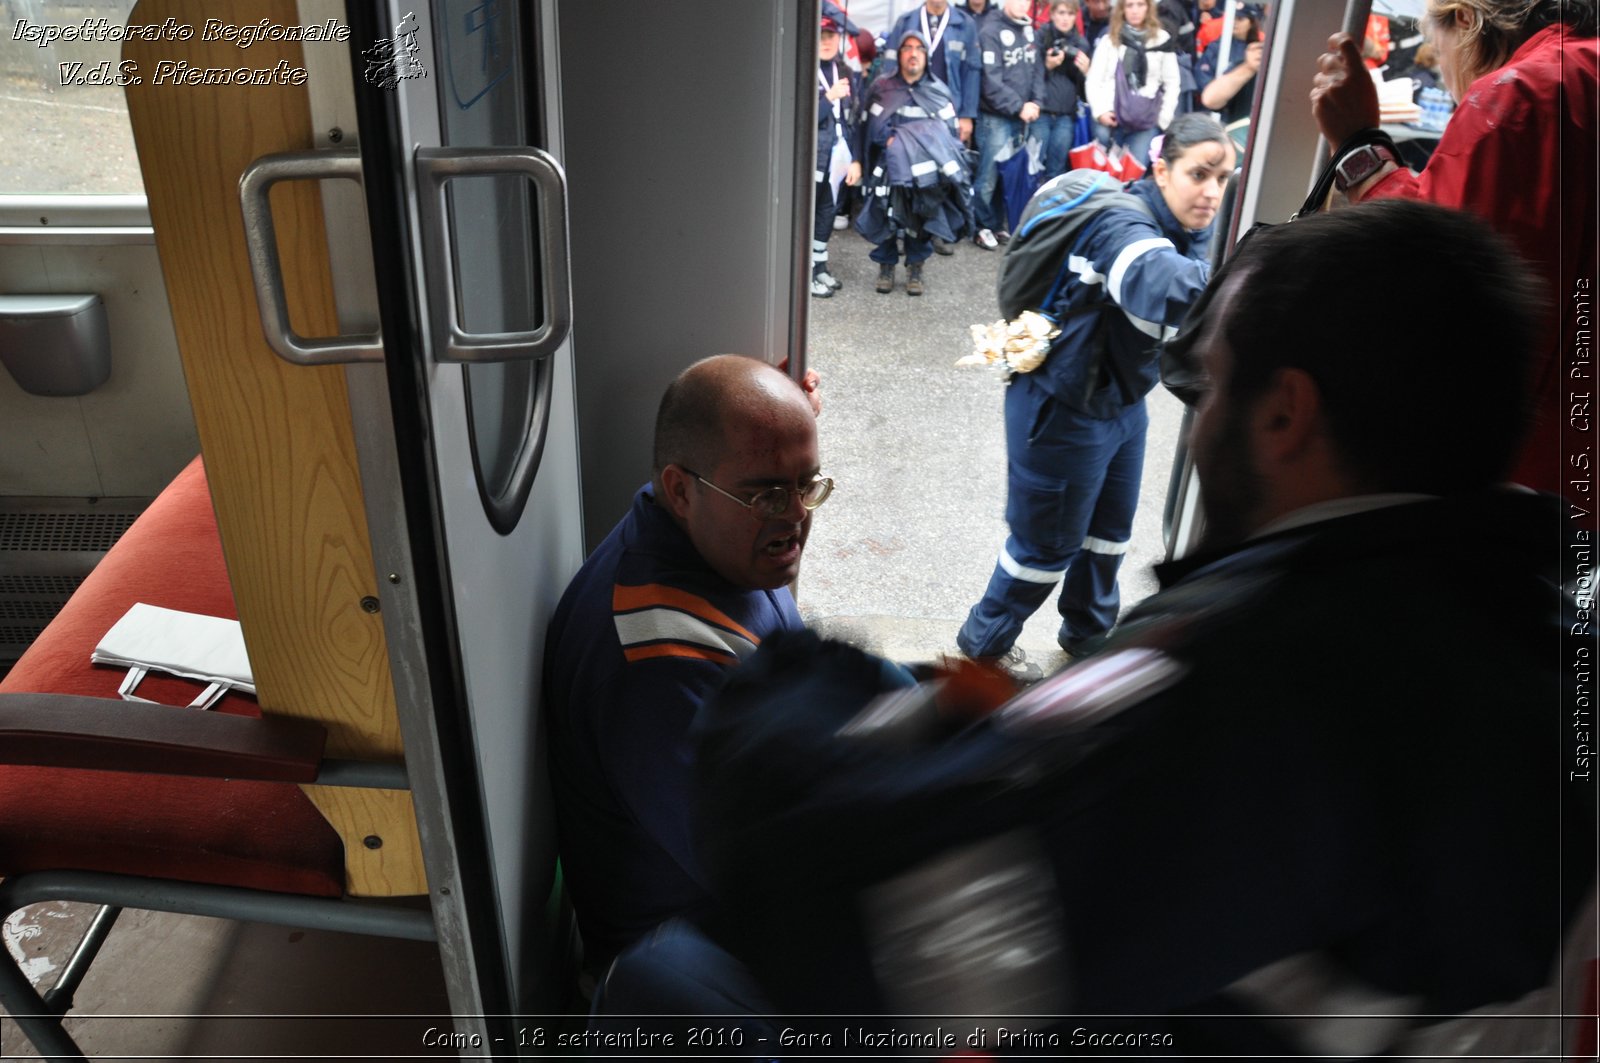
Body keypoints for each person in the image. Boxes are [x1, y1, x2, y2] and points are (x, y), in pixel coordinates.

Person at [696, 202, 1592, 1050]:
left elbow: (843, 908)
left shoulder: (1277, 689)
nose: (1197, 426)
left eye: (1210, 391)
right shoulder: (1549, 608)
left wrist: (802, 694)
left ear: (1285, 414)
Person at [543, 354, 830, 970]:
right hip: (693, 969)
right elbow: (780, 883)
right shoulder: (659, 661)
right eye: (767, 494)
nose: (796, 516)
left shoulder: (708, 532)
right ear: (681, 489)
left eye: (807, 485)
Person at [957, 113, 1233, 679]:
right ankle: (980, 647)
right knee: (1045, 547)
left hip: (1120, 405)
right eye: (1199, 174)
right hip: (1061, 408)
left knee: (1108, 536)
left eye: (1223, 178)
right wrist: (1261, 281)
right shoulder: (1122, 229)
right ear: (1161, 168)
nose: (1211, 192)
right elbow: (1157, 281)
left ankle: (1087, 636)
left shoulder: (1179, 226)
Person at [1310, 0, 1598, 498]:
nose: (1445, 75)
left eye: (1438, 50)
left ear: (1465, 22)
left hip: (1526, 478)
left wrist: (1359, 146)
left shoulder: (1521, 97)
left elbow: (1431, 270)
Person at [856, 28, 973, 295]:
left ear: (926, 56)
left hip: (924, 172)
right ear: (899, 55)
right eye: (907, 48)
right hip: (888, 168)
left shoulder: (937, 90)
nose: (913, 54)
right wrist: (888, 139)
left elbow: (948, 135)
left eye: (919, 49)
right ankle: (886, 266)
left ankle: (916, 267)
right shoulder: (882, 88)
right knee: (886, 214)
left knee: (921, 218)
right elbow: (869, 126)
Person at [880, 0, 985, 254]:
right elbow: (888, 67)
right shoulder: (906, 22)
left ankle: (937, 231)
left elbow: (972, 71)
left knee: (940, 174)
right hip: (907, 108)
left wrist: (967, 116)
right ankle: (903, 231)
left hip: (944, 110)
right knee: (907, 173)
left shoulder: (965, 23)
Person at [972, 0, 1046, 248]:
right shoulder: (990, 30)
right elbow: (990, 82)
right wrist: (1018, 105)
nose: (1021, 4)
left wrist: (1036, 101)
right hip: (996, 117)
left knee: (1008, 176)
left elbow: (1037, 70)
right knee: (988, 177)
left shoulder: (1028, 30)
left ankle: (996, 225)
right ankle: (980, 226)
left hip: (1022, 117)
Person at [1085, 0, 1182, 167]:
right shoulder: (1109, 40)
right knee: (1105, 177)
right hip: (1111, 119)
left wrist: (1162, 119)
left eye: (1140, 5)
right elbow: (1094, 79)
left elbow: (1172, 83)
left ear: (1148, 8)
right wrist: (1100, 111)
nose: (1135, 10)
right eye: (1130, 5)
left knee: (1132, 176)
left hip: (1146, 121)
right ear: (1122, 9)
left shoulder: (1161, 39)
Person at [811, 16, 862, 299]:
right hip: (815, 157)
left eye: (831, 36)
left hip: (838, 154)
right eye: (820, 37)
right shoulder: (805, 71)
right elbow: (803, 121)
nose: (827, 42)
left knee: (827, 213)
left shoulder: (843, 70)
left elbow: (854, 118)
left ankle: (819, 267)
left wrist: (855, 159)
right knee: (808, 213)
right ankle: (805, 273)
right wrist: (828, 97)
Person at [1035, 0, 1094, 177]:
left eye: (1070, 14)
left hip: (1066, 116)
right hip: (1041, 112)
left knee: (1057, 169)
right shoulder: (1041, 36)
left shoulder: (1081, 44)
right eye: (1061, 13)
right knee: (1033, 166)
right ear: (1052, 14)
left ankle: (1053, 205)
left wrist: (1086, 73)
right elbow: (1028, 77)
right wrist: (1046, 66)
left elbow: (1084, 94)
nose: (1065, 19)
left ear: (1076, 16)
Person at [1197, 1, 1264, 124]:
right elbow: (1204, 84)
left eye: (1240, 18)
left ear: (1251, 22)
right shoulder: (1217, 47)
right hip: (1218, 113)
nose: (1234, 22)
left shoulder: (1259, 52)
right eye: (1232, 17)